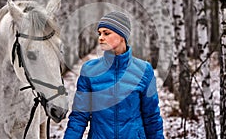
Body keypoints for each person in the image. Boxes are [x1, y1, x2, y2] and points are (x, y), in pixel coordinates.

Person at [64, 11, 164, 139]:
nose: (100, 38)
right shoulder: (89, 71)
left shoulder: (144, 70)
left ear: (122, 36)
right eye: (99, 33)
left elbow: (152, 117)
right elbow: (79, 117)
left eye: (106, 33)